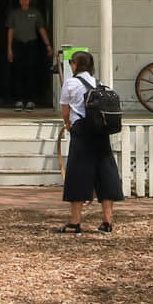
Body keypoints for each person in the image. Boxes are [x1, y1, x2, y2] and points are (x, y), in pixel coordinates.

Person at [57, 50, 121, 233]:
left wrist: (68, 125)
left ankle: (75, 221)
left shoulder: (70, 83)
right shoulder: (98, 83)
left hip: (81, 131)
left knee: (78, 174)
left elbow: (65, 111)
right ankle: (107, 222)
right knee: (105, 173)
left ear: (75, 64)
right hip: (101, 131)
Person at [5, 0, 55, 109]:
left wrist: (48, 45)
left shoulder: (35, 13)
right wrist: (9, 48)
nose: (24, 1)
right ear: (19, 0)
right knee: (18, 72)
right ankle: (19, 100)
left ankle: (30, 100)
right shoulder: (14, 14)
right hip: (18, 44)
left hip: (32, 45)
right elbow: (10, 31)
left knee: (32, 72)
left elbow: (41, 29)